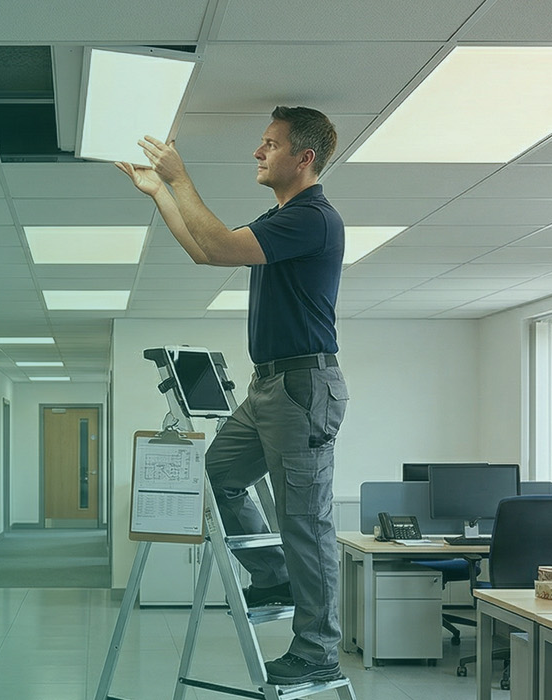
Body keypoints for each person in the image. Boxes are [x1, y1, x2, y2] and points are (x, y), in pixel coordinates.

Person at [117, 106, 349, 685]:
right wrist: (158, 193)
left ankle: (317, 649)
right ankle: (271, 574)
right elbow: (205, 252)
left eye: (269, 144)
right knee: (208, 477)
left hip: (302, 385)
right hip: (267, 385)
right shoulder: (281, 222)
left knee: (305, 521)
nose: (257, 152)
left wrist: (179, 176)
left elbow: (217, 244)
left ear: (304, 157)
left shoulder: (313, 217)